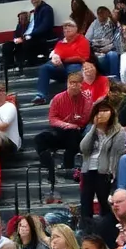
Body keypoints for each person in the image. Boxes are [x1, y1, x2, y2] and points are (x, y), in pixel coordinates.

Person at [35, 72, 92, 201]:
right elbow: (52, 119)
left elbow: (85, 120)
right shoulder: (58, 98)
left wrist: (73, 123)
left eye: (76, 83)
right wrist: (66, 124)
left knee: (73, 135)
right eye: (71, 83)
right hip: (60, 130)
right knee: (40, 138)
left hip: (76, 133)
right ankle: (46, 162)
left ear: (81, 85)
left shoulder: (86, 100)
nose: (73, 86)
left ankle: (68, 168)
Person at [78, 99, 126, 224]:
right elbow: (84, 148)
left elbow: (117, 153)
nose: (102, 114)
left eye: (105, 110)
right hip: (88, 169)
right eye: (99, 111)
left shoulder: (118, 131)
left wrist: (112, 172)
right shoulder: (92, 129)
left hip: (105, 171)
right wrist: (94, 127)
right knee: (85, 201)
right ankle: (86, 228)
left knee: (105, 202)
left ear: (112, 112)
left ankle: (108, 227)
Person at [32, 20, 91, 104]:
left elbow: (83, 57)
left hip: (76, 66)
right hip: (60, 68)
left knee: (73, 67)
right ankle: (41, 96)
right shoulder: (60, 42)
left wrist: (63, 58)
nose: (66, 28)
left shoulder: (82, 40)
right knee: (44, 68)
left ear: (76, 28)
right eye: (64, 26)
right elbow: (55, 53)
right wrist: (55, 58)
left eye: (69, 25)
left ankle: (73, 97)